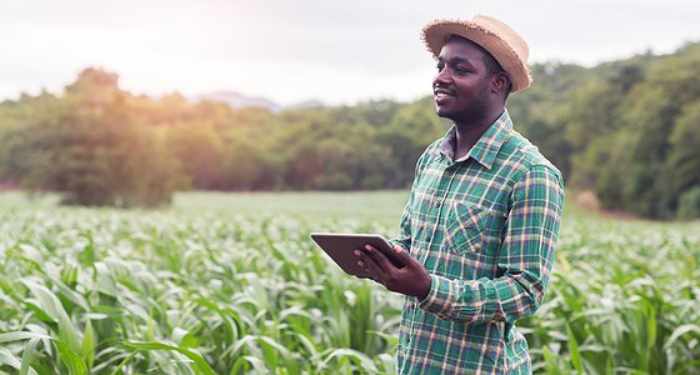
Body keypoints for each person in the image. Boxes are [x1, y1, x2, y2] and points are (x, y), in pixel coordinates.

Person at [353, 15, 565, 374]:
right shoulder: (431, 159)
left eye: (460, 69)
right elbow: (409, 242)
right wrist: (382, 257)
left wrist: (429, 289)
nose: (441, 77)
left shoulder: (531, 173)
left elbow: (524, 291)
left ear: (497, 84)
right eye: (440, 66)